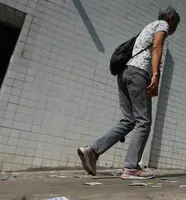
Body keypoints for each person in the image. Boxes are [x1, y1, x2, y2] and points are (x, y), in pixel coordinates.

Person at [77, 6, 180, 180]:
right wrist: (156, 74)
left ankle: (92, 151)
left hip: (125, 73)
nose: (175, 30)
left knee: (129, 120)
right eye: (176, 25)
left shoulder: (147, 28)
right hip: (139, 73)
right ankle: (131, 168)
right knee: (143, 121)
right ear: (170, 19)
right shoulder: (161, 24)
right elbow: (157, 48)